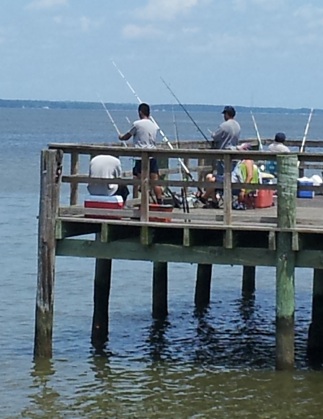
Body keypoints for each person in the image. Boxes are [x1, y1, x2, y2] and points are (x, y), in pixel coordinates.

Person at [118, 103, 163, 204]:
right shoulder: (154, 126)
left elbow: (127, 136)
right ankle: (160, 202)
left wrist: (120, 137)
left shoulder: (137, 124)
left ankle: (143, 200)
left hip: (140, 157)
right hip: (152, 156)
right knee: (155, 181)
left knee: (139, 178)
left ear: (140, 112)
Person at [211, 105, 242, 176]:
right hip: (234, 154)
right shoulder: (238, 125)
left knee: (222, 177)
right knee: (232, 176)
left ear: (227, 114)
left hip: (224, 155)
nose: (224, 116)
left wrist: (212, 134)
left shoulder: (224, 125)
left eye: (225, 114)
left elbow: (215, 136)